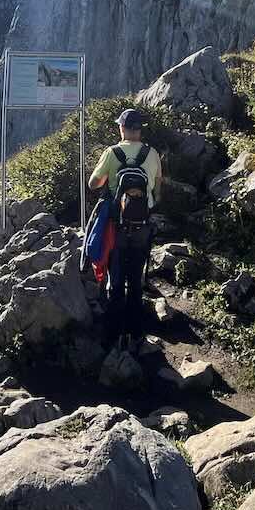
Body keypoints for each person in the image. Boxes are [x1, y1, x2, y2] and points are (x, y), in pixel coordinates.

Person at [88, 107, 163, 350]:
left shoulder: (112, 152)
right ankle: (136, 333)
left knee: (116, 280)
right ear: (140, 129)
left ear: (122, 128)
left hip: (116, 227)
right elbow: (158, 190)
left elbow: (93, 183)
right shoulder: (152, 154)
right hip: (142, 227)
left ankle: (113, 333)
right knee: (136, 279)